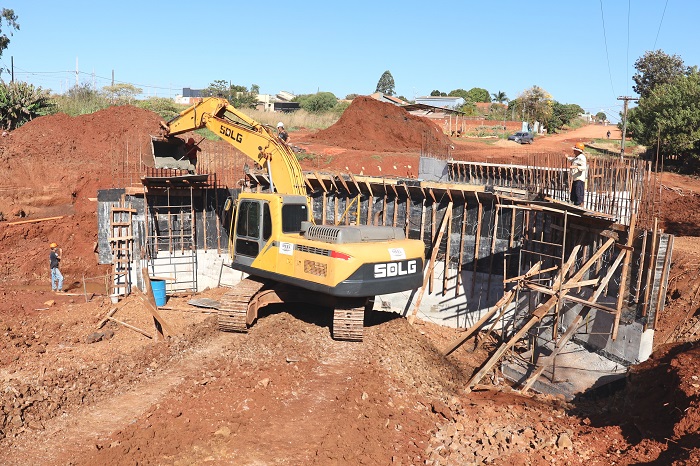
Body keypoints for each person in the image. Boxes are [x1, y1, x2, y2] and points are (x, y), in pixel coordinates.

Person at [566, 143, 588, 207]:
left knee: (578, 194)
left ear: (578, 151)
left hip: (580, 179)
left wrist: (575, 167)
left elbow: (584, 167)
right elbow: (573, 160)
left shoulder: (582, 157)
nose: (573, 151)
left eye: (575, 150)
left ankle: (578, 205)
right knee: (574, 194)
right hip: (576, 178)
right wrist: (567, 157)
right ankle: (575, 204)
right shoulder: (577, 157)